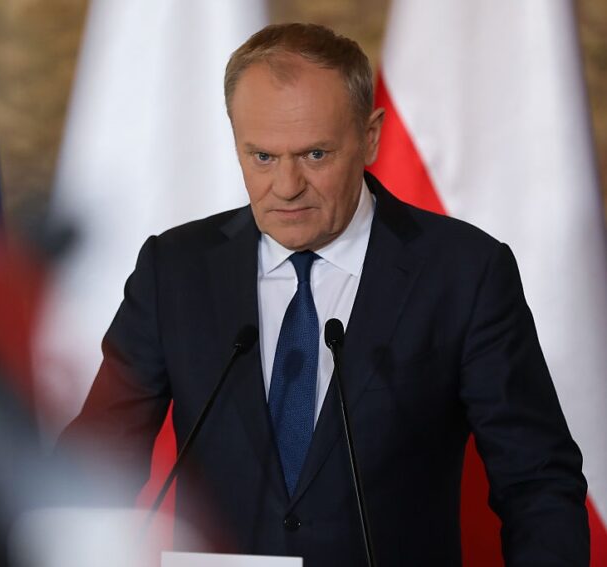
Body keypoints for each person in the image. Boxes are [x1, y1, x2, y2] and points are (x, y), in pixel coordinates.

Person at [60, 23, 589, 565]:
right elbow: (92, 465)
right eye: (262, 157)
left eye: (314, 154)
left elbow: (538, 485)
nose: (287, 187)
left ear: (370, 137)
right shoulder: (175, 270)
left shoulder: (462, 272)